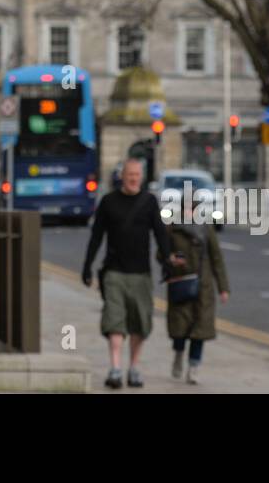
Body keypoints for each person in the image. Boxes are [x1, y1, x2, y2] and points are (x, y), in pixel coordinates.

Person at [82, 156, 170, 389]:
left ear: (141, 177)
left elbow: (161, 235)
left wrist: (167, 263)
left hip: (141, 273)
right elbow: (96, 237)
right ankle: (115, 369)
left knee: (140, 325)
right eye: (130, 175)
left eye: (137, 175)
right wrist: (87, 266)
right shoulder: (108, 202)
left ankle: (134, 368)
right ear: (122, 176)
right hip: (114, 272)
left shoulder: (149, 202)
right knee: (114, 321)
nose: (133, 179)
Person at [165, 191, 230, 385]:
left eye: (191, 208)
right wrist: (173, 260)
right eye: (185, 207)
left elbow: (217, 258)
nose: (189, 211)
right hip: (180, 283)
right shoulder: (172, 229)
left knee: (199, 329)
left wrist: (223, 288)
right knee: (180, 328)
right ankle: (178, 354)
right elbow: (162, 254)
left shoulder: (205, 228)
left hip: (203, 285)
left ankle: (194, 367)